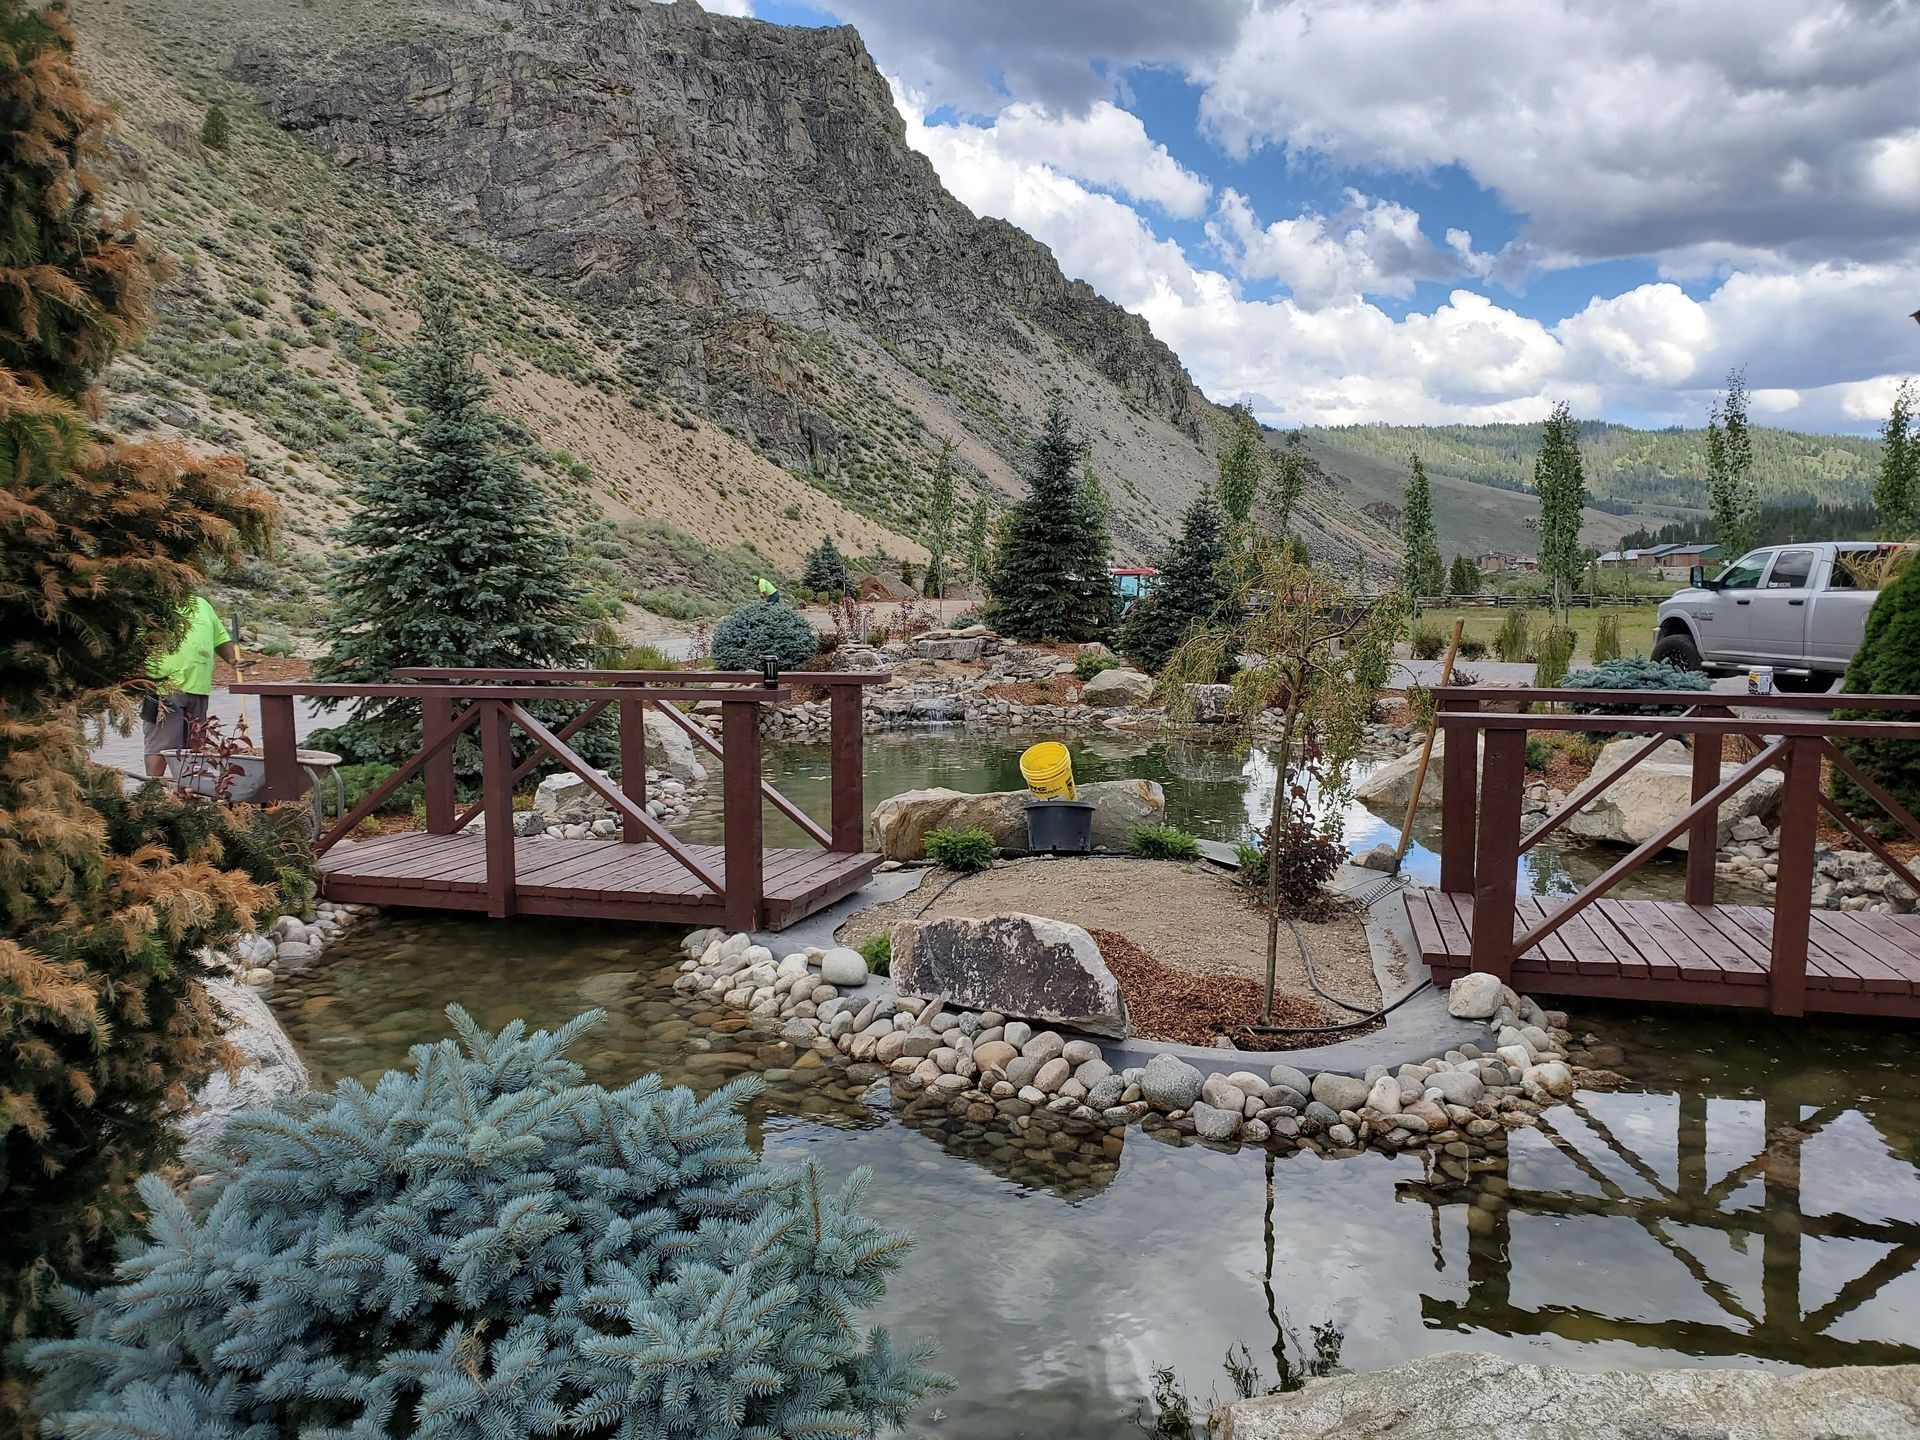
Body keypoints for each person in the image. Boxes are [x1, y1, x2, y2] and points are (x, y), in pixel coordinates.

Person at [143, 594, 237, 777]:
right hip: (164, 687)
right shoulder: (153, 604)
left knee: (196, 747)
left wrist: (234, 659)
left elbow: (220, 639)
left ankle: (188, 794)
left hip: (199, 687)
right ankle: (153, 792)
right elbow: (135, 641)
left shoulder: (202, 604)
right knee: (161, 745)